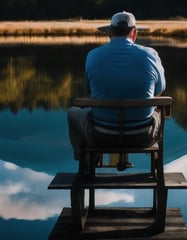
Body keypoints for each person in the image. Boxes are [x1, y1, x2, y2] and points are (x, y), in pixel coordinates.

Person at [67, 11, 166, 161]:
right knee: (157, 112)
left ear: (110, 33)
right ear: (134, 33)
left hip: (101, 136)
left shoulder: (93, 55)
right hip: (142, 137)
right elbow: (160, 89)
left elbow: (88, 90)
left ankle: (86, 162)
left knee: (72, 112)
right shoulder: (150, 54)